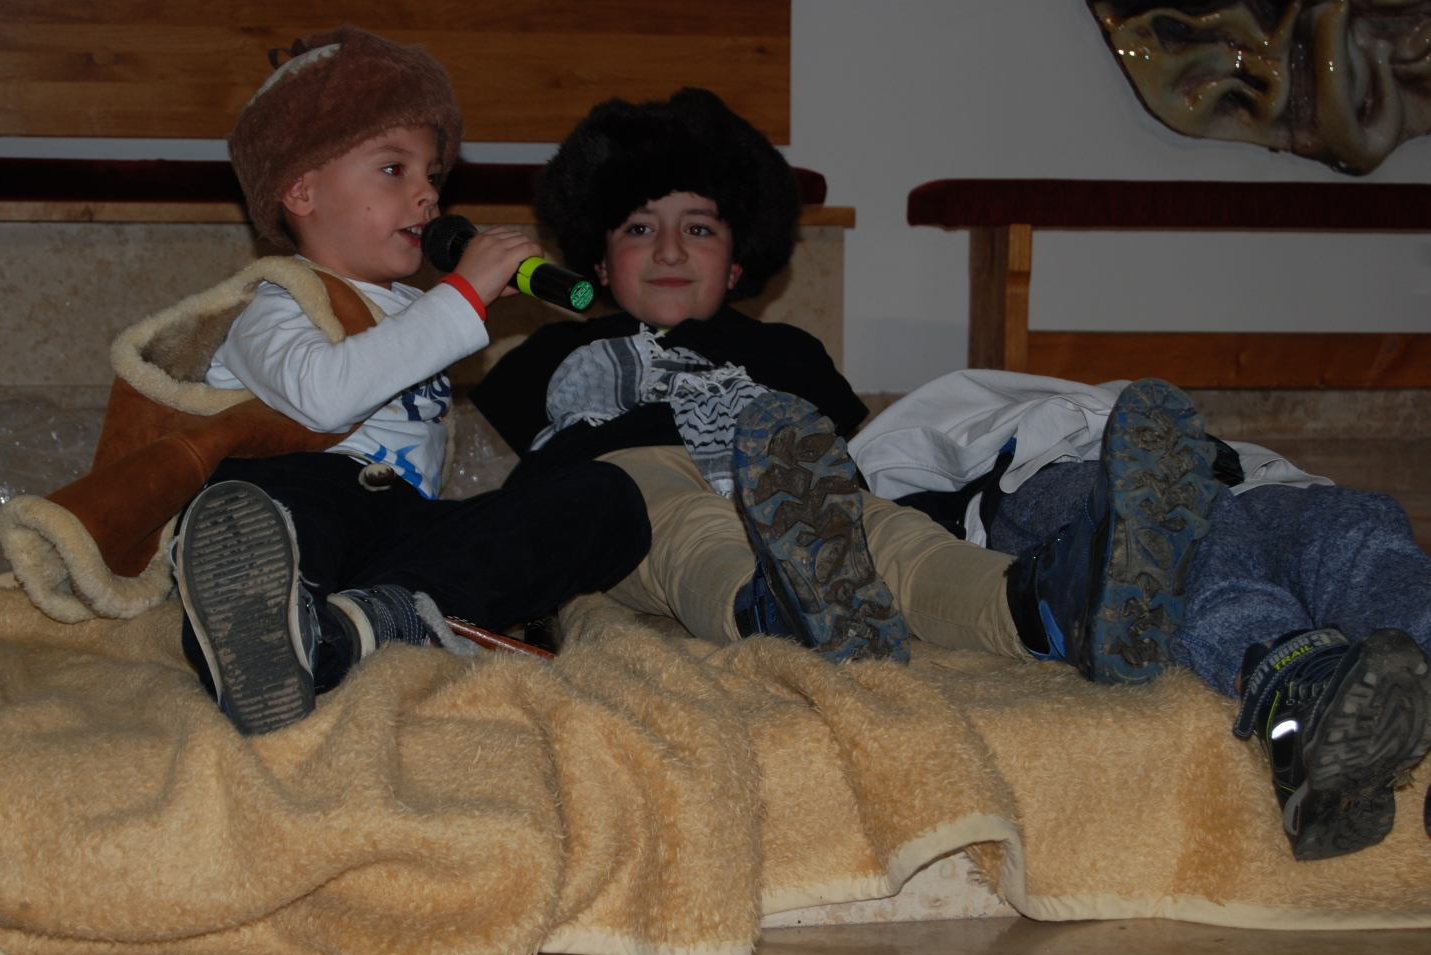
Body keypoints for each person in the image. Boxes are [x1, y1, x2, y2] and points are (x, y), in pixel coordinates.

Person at [469, 89, 1213, 682]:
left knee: (896, 538)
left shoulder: (785, 351)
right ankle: (774, 606)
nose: (668, 249)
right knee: (684, 528)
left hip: (782, 489)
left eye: (698, 228)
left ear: (737, 263)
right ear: (598, 264)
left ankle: (1048, 606)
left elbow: (853, 459)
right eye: (638, 229)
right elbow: (502, 477)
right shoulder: (554, 350)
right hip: (625, 489)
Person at [175, 27, 651, 736]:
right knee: (267, 504)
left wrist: (454, 305)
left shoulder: (417, 310)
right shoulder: (275, 299)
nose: (427, 194)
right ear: (301, 189)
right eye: (394, 169)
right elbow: (324, 397)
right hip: (305, 502)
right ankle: (254, 619)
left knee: (608, 499)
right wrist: (461, 298)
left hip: (395, 530)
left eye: (432, 174)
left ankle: (358, 629)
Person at [851, 370, 1431, 860]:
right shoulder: (915, 438)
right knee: (1188, 534)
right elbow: (908, 513)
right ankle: (1294, 695)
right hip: (1058, 480)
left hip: (1247, 478)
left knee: (1355, 523)